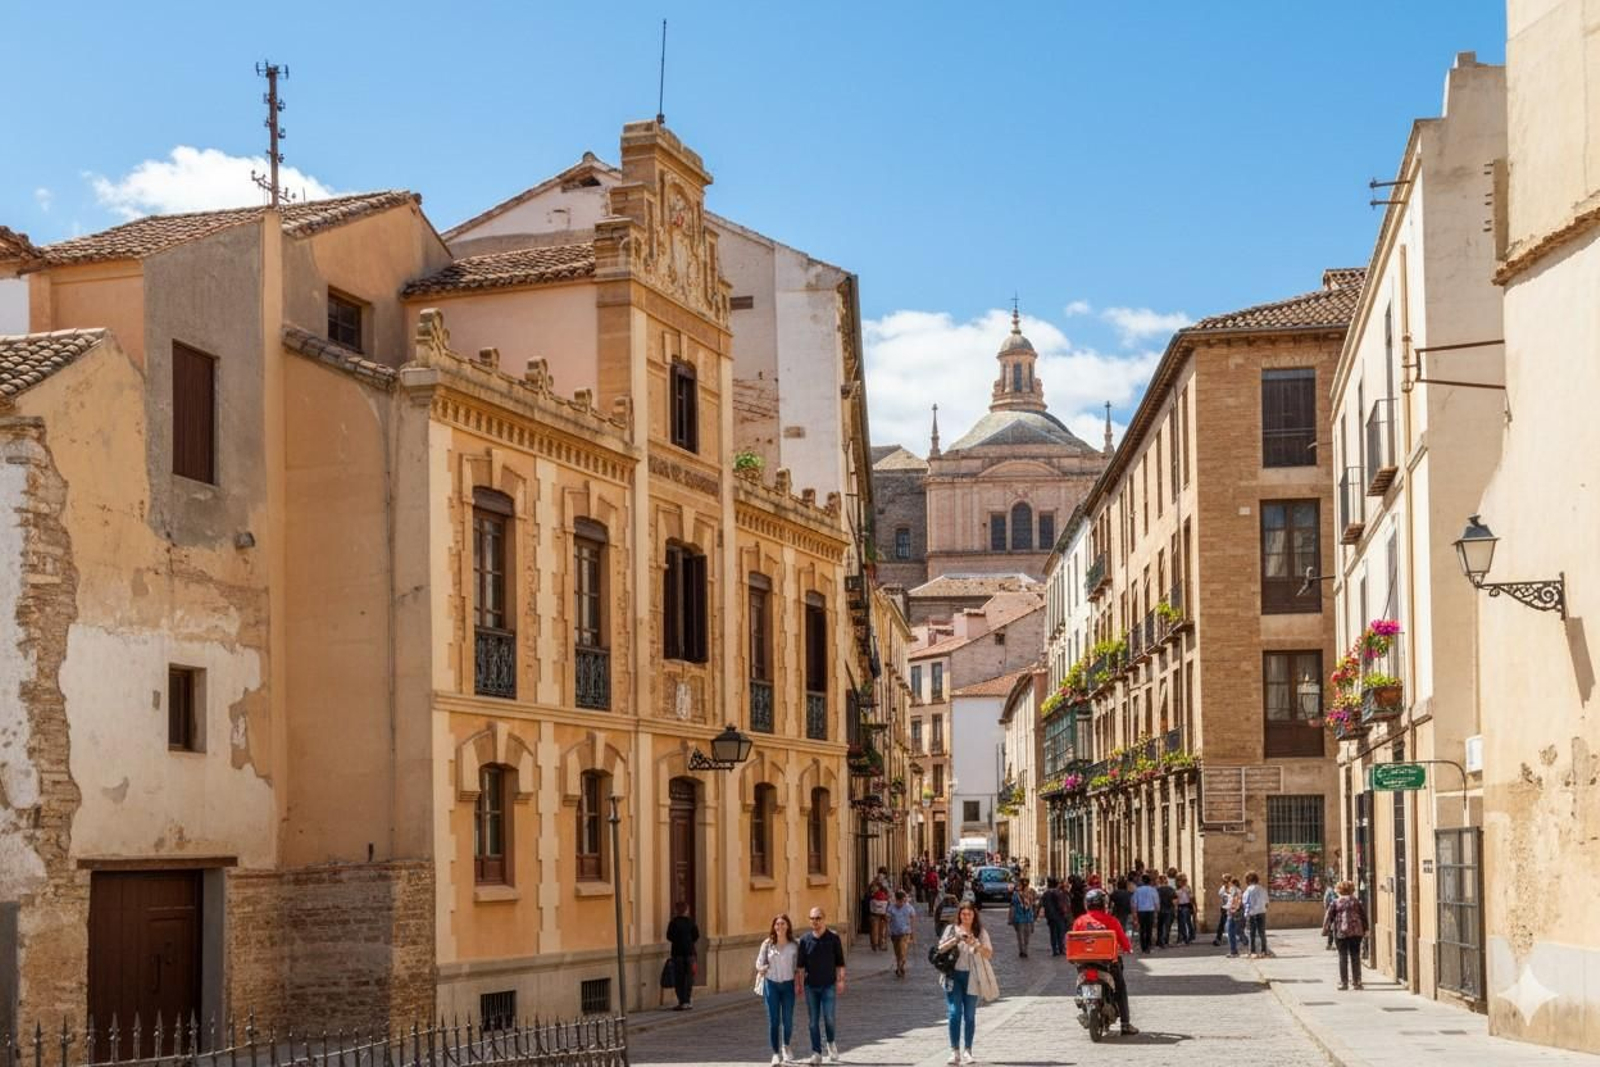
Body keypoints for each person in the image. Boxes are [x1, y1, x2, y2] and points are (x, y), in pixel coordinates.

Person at [1070, 888, 1138, 1036]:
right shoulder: (1111, 921)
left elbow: (1071, 941)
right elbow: (1123, 941)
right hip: (1107, 963)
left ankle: (1083, 1001)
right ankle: (1125, 1024)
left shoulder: (1080, 922)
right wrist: (1128, 948)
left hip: (1084, 963)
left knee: (1081, 981)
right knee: (1120, 987)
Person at [937, 901, 994, 1064]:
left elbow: (989, 954)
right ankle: (954, 1051)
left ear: (974, 915)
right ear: (959, 915)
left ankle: (968, 1050)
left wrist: (976, 944)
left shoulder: (980, 932)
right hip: (953, 975)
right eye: (963, 914)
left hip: (972, 977)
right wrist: (956, 939)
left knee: (969, 1016)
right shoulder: (950, 930)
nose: (966, 917)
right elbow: (940, 948)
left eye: (969, 914)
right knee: (954, 1013)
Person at [796, 907, 846, 1065]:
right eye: (812, 918)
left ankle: (831, 1042)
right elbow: (800, 967)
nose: (815, 921)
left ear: (824, 919)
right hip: (811, 986)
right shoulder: (804, 940)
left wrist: (840, 980)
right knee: (812, 1022)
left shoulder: (833, 938)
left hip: (829, 985)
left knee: (829, 1018)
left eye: (818, 918)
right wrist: (799, 985)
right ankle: (816, 1053)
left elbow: (840, 962)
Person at [755, 914, 799, 1065]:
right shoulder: (767, 944)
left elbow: (799, 967)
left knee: (787, 1020)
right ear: (774, 927)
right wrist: (762, 968)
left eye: (783, 924)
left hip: (788, 986)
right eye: (777, 924)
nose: (780, 927)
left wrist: (800, 982)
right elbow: (759, 963)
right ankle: (775, 1054)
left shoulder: (795, 945)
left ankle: (786, 1046)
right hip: (771, 985)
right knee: (774, 1021)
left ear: (788, 926)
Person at [1322, 880, 1369, 990]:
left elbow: (1329, 917)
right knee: (1355, 957)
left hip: (1341, 932)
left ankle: (1344, 983)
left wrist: (1325, 930)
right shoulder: (1356, 902)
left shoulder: (1336, 902)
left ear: (1339, 890)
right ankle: (1357, 982)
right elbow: (1363, 916)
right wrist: (1366, 929)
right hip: (1356, 932)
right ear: (1352, 890)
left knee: (1343, 957)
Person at [665, 900, 699, 1010]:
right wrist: (689, 941)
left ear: (676, 911)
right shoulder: (690, 922)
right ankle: (687, 1001)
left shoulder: (673, 923)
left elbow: (669, 936)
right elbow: (696, 935)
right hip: (689, 953)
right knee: (689, 978)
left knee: (679, 978)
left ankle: (681, 1001)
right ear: (686, 910)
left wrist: (677, 941)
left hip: (677, 953)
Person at [887, 889, 918, 978]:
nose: (901, 903)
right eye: (899, 901)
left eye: (903, 901)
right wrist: (888, 929)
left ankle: (900, 967)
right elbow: (888, 919)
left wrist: (913, 933)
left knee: (903, 951)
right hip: (895, 933)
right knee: (897, 952)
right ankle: (900, 966)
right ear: (896, 900)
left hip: (905, 933)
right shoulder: (891, 908)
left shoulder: (908, 907)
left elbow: (913, 919)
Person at [1242, 870, 1271, 958]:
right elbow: (1266, 903)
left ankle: (1252, 951)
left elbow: (1245, 902)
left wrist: (1247, 913)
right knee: (1262, 932)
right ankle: (1264, 950)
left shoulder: (1248, 890)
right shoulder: (1263, 889)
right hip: (1262, 912)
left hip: (1252, 913)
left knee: (1252, 933)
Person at [1008, 876, 1037, 957]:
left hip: (1028, 917)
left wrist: (1035, 915)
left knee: (1027, 936)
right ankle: (1022, 951)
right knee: (1021, 936)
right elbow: (1013, 906)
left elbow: (1034, 904)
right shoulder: (1016, 895)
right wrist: (1011, 918)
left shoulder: (1032, 893)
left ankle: (1025, 950)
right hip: (1019, 917)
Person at [1042, 876, 1069, 957]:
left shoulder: (1046, 893)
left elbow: (1043, 904)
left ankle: (1055, 949)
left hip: (1050, 916)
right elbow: (1060, 905)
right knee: (1060, 933)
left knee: (1053, 933)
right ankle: (1061, 948)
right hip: (1058, 916)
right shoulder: (1057, 892)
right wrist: (1064, 912)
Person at [1132, 874, 1159, 953]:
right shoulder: (1153, 890)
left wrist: (1134, 914)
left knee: (1142, 929)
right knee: (1149, 929)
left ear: (1142, 881)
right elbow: (1156, 902)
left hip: (1141, 911)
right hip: (1150, 911)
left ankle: (1143, 946)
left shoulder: (1138, 890)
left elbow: (1134, 903)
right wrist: (1157, 912)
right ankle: (1148, 946)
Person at [1223, 876, 1244, 958]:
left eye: (1229, 884)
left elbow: (1236, 903)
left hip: (1232, 914)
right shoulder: (1236, 891)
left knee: (1230, 932)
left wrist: (1231, 910)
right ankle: (1234, 950)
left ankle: (1234, 951)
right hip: (1233, 913)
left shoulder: (1236, 891)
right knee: (1232, 932)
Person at [1211, 873, 1234, 947]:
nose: (1224, 882)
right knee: (1221, 924)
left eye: (1225, 881)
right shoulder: (1223, 888)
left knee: (1232, 925)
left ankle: (1241, 939)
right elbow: (1220, 895)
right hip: (1224, 908)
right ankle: (1218, 939)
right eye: (1223, 881)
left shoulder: (1233, 888)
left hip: (1231, 909)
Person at [868, 880, 890, 952]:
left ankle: (877, 944)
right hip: (879, 914)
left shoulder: (873, 894)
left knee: (879, 929)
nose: (874, 888)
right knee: (878, 929)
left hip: (876, 914)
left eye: (875, 887)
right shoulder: (874, 894)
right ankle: (877, 944)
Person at [1155, 874, 1177, 948]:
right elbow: (1174, 901)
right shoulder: (1171, 889)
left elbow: (1156, 901)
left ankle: (1159, 941)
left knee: (1160, 926)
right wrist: (1175, 909)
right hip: (1169, 910)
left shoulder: (1157, 890)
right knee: (1167, 927)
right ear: (1166, 881)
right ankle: (1165, 941)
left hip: (1160, 910)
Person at [1175, 874, 1195, 945]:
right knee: (1183, 923)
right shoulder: (1177, 889)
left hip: (1185, 906)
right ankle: (1185, 938)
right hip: (1180, 906)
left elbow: (1191, 897)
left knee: (1186, 923)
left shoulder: (1186, 888)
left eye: (1185, 880)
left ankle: (1187, 938)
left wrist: (1193, 906)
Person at [1322, 881, 1339, 950]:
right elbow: (1333, 900)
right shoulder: (1331, 891)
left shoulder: (1328, 891)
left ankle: (1329, 944)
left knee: (1331, 928)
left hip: (1330, 911)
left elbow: (1325, 902)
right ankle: (1332, 944)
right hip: (1334, 911)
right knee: (1334, 928)